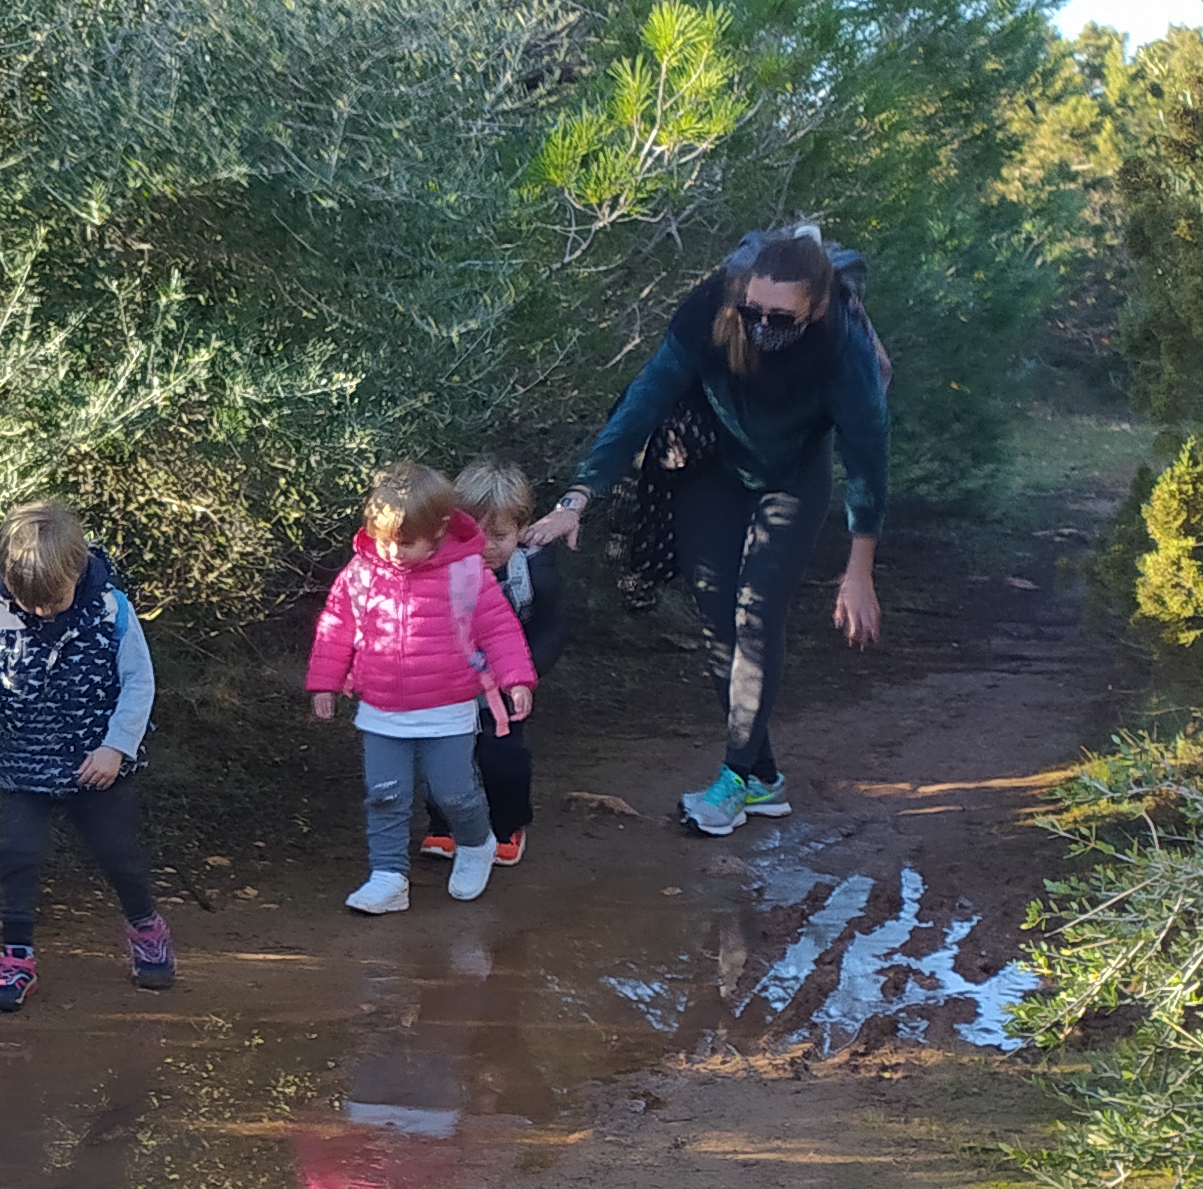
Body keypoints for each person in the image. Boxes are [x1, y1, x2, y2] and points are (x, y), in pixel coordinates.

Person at [518, 226, 887, 835]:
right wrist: (577, 497)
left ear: (816, 307)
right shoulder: (710, 313)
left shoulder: (841, 348)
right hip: (714, 467)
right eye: (754, 310)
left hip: (795, 475)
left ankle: (736, 778)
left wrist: (859, 569)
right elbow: (643, 401)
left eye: (781, 315)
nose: (763, 324)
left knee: (757, 614)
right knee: (718, 615)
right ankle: (763, 777)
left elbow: (869, 458)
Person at [0, 498, 173, 1013]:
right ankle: (16, 960)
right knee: (16, 858)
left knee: (117, 854)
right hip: (20, 764)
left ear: (78, 569)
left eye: (54, 599)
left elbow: (139, 682)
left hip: (97, 765)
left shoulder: (111, 611)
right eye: (30, 601)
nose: (42, 611)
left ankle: (145, 927)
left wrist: (116, 746)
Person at [307, 462, 538, 915]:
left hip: (448, 705)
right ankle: (388, 874)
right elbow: (335, 628)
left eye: (406, 542)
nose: (392, 551)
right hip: (382, 708)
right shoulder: (360, 572)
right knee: (385, 792)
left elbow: (500, 630)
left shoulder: (466, 573)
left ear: (436, 533)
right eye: (384, 538)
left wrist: (517, 679)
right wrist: (325, 682)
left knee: (453, 791)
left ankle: (475, 844)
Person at [417, 455, 567, 870]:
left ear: (522, 530)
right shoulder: (435, 568)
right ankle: (443, 825)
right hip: (447, 686)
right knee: (444, 757)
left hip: (505, 688)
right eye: (474, 532)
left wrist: (526, 674)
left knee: (503, 759)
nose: (486, 545)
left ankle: (507, 826)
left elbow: (552, 628)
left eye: (499, 534)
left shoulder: (535, 573)